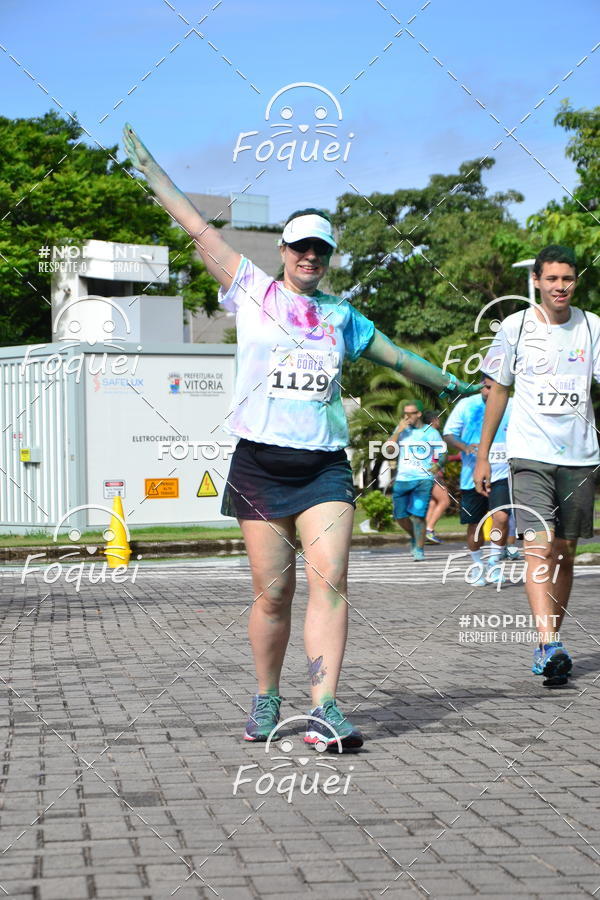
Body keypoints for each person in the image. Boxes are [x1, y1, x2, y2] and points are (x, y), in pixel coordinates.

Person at [123, 123, 477, 749]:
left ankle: (326, 707)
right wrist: (152, 174)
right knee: (274, 593)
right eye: (299, 248)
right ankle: (265, 698)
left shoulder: (344, 317)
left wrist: (448, 383)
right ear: (283, 251)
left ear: (328, 256)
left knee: (332, 578)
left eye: (320, 250)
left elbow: (397, 359)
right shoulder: (250, 290)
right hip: (259, 465)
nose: (309, 257)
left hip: (323, 469)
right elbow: (197, 229)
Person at [474, 245, 600, 685]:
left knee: (565, 554)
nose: (560, 286)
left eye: (567, 279)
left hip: (581, 458)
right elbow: (498, 391)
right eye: (552, 279)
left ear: (575, 281)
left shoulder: (593, 327)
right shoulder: (515, 327)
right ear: (537, 282)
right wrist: (483, 453)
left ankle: (550, 645)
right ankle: (548, 641)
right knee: (539, 548)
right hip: (529, 456)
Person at [444, 377, 512, 586]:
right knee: (475, 524)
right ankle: (477, 565)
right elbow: (448, 434)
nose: (487, 391)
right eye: (485, 386)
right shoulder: (466, 405)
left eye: (493, 388)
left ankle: (494, 563)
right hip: (472, 476)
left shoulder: (513, 405)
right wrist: (464, 447)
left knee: (501, 517)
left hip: (502, 472)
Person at [387, 402, 446, 560]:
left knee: (418, 515)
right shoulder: (401, 431)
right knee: (399, 516)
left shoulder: (431, 432)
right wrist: (398, 432)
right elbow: (389, 450)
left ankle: (419, 549)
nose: (407, 417)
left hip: (423, 479)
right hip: (402, 479)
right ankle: (416, 536)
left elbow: (441, 452)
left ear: (419, 414)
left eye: (411, 413)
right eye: (405, 413)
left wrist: (438, 464)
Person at [424, 410, 451, 543]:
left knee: (434, 502)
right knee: (445, 501)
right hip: (433, 473)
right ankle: (429, 530)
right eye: (438, 419)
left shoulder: (421, 433)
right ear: (434, 420)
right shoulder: (434, 433)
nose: (439, 422)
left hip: (423, 472)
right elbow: (442, 454)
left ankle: (425, 531)